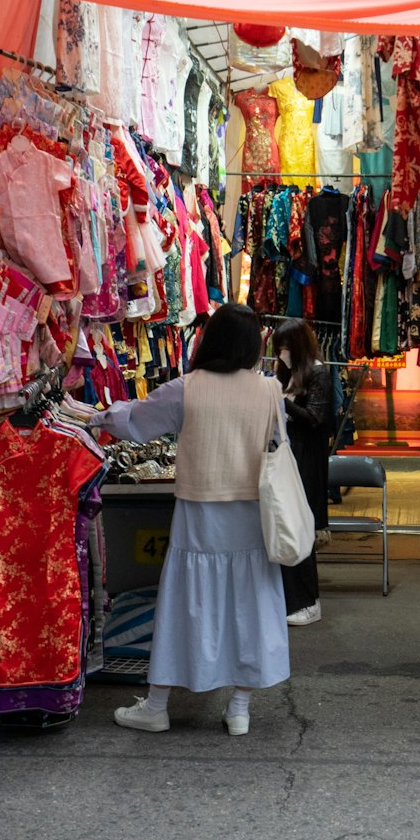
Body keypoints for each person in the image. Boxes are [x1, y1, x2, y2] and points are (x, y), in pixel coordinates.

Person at [93, 303, 289, 736]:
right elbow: (278, 448)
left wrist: (92, 415)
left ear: (210, 340)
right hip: (253, 514)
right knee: (248, 605)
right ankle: (239, 707)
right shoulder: (270, 390)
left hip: (200, 513)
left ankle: (158, 704)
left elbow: (135, 423)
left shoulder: (187, 388)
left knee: (186, 603)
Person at [273, 318, 333, 627]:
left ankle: (308, 601)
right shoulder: (286, 375)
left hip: (307, 462)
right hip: (286, 460)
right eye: (278, 347)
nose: (282, 353)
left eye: (285, 347)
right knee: (287, 528)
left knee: (301, 530)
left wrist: (281, 402)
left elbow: (315, 418)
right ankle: (292, 600)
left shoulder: (319, 373)